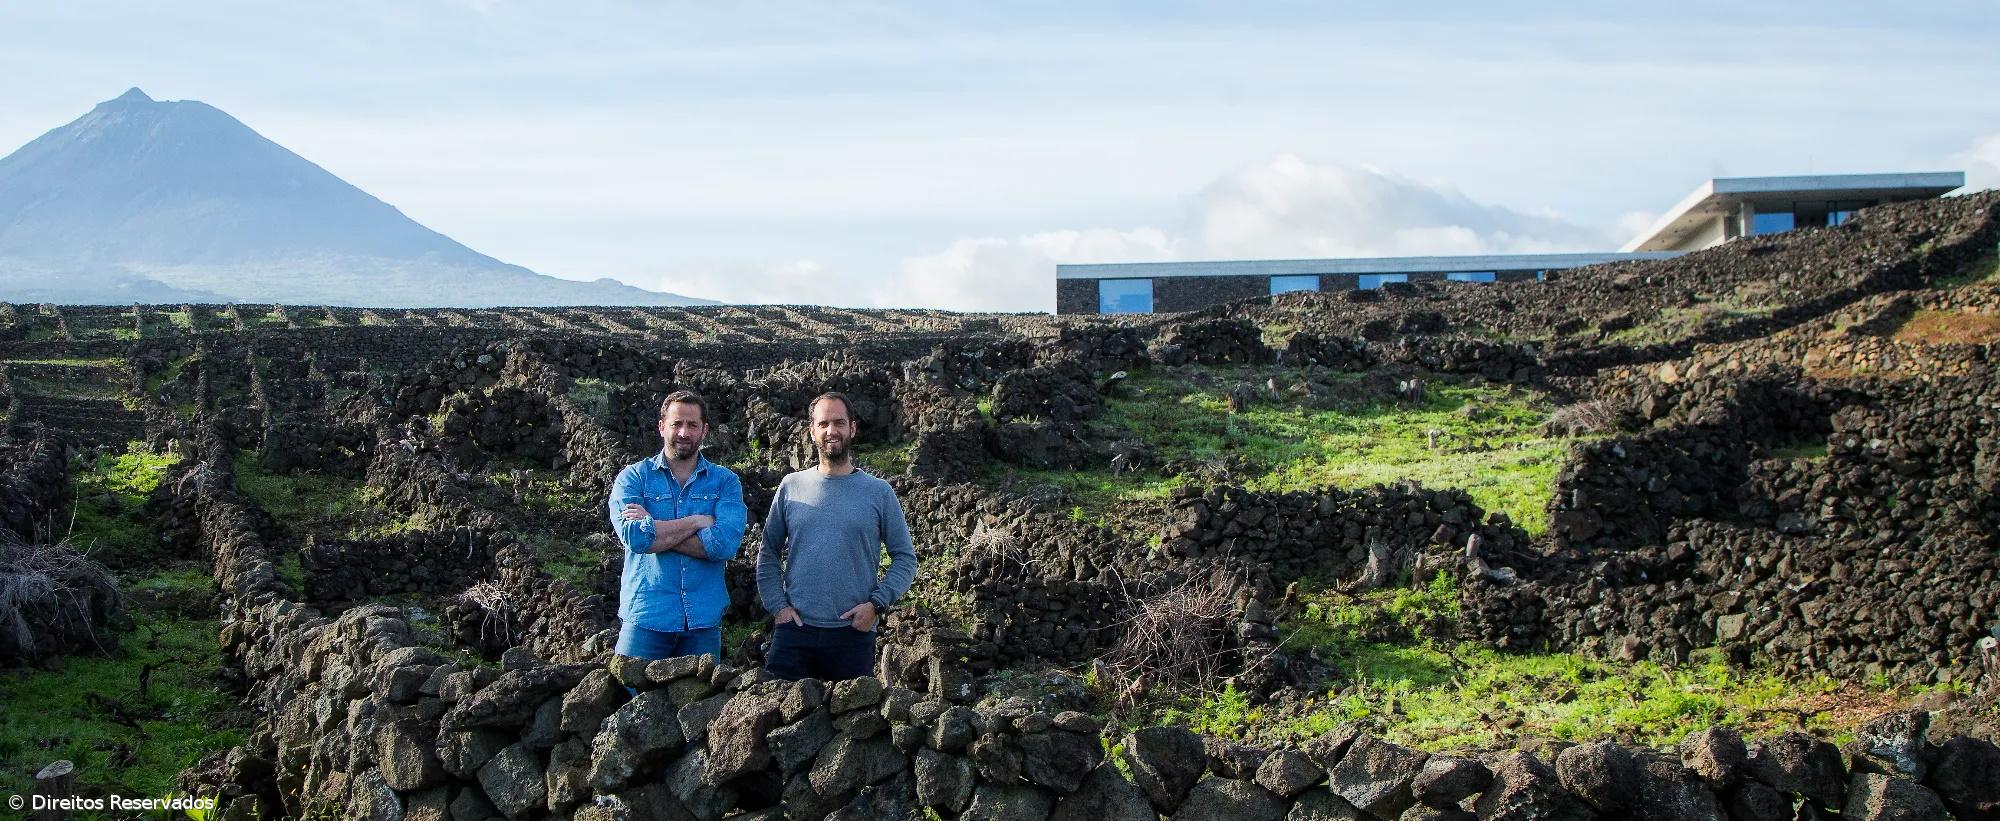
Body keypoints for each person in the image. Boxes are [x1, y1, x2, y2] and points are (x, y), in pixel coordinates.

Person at [756, 391, 917, 681]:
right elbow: (768, 552)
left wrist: (876, 605)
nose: (831, 431)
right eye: (823, 424)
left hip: (852, 634)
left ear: (852, 428)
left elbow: (905, 558)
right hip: (794, 634)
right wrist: (778, 607)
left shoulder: (879, 492)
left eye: (839, 423)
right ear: (812, 431)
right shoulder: (791, 486)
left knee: (852, 711)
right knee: (777, 707)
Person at [607, 389, 747, 662]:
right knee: (630, 689)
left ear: (704, 430)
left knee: (701, 692)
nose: (684, 432)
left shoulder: (725, 482)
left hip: (702, 623)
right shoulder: (633, 478)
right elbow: (636, 539)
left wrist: (654, 528)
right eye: (676, 424)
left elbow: (724, 545)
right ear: (662, 427)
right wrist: (695, 522)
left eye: (692, 425)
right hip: (646, 617)